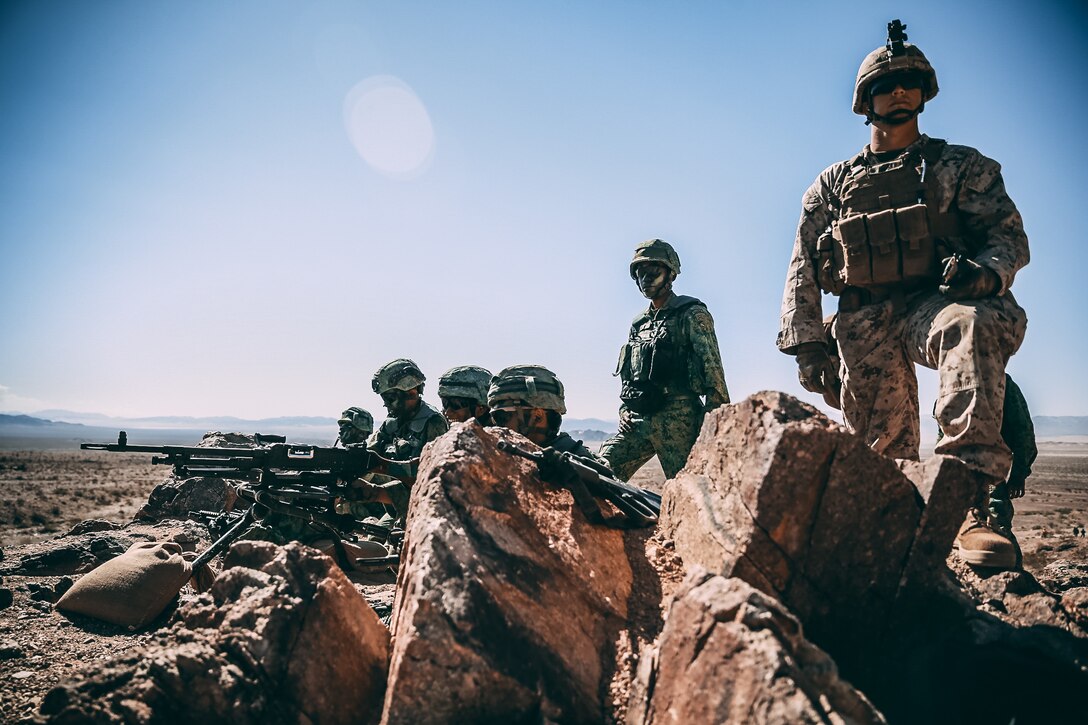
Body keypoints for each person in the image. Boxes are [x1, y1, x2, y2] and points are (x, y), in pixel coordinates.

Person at [777, 20, 1029, 569]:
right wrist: (806, 344)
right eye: (887, 85)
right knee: (881, 453)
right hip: (864, 321)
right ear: (865, 100)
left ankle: (974, 503)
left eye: (909, 82)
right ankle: (892, 530)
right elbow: (802, 263)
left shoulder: (960, 167)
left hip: (933, 304)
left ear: (923, 94)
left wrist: (982, 276)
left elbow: (1008, 238)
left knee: (972, 324)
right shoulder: (832, 184)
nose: (899, 91)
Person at [598, 239, 730, 481]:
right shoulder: (639, 324)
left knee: (693, 489)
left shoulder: (691, 313)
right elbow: (630, 375)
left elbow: (713, 370)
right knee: (599, 470)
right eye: (639, 274)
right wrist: (624, 410)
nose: (645, 279)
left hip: (680, 419)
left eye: (652, 272)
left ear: (671, 275)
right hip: (639, 419)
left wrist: (713, 426)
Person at [936, 375, 1037, 554]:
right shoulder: (949, 385)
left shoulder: (1001, 382)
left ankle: (1010, 574)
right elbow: (942, 433)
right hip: (959, 476)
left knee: (996, 527)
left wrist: (1018, 474)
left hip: (990, 473)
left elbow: (1023, 432)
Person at [487, 364, 607, 467]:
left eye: (501, 417)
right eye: (493, 417)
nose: (496, 425)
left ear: (537, 416)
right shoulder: (513, 455)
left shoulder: (575, 464)